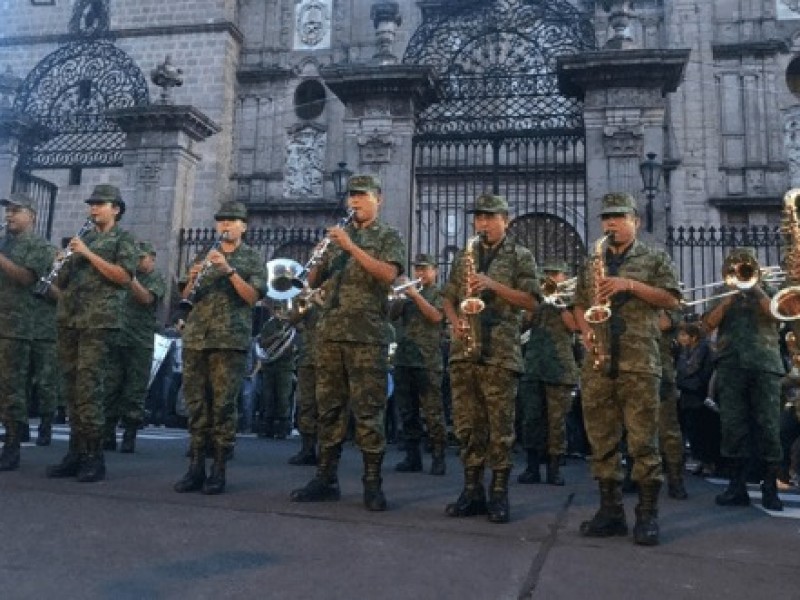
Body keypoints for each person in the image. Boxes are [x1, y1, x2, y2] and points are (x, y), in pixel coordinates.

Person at [290, 174, 406, 511]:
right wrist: (317, 257)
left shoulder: (387, 236)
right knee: (329, 409)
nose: (354, 202)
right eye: (351, 197)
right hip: (331, 334)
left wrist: (351, 247)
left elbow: (388, 275)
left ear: (378, 200)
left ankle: (373, 483)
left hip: (367, 336)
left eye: (362, 196)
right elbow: (310, 283)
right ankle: (326, 478)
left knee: (369, 411)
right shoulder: (337, 239)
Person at [574, 192, 681, 546]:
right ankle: (611, 511)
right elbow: (578, 305)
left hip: (640, 363)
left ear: (636, 220)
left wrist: (630, 285)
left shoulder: (654, 258)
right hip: (599, 363)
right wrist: (587, 330)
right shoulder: (592, 261)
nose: (611, 224)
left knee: (643, 442)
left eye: (619, 217)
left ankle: (647, 516)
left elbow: (672, 300)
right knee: (602, 441)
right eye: (607, 218)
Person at [441, 193, 538, 524]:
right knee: (467, 427)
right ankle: (472, 491)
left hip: (500, 353)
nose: (482, 223)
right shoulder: (463, 257)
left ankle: (499, 494)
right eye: (478, 217)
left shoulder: (520, 256)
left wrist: (493, 285)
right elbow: (448, 299)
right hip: (464, 352)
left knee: (500, 427)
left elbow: (531, 302)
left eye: (489, 217)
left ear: (505, 220)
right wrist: (455, 323)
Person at [46, 184, 138, 483]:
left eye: (101, 204)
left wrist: (87, 254)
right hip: (71, 320)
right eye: (92, 204)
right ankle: (75, 452)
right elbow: (60, 283)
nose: (93, 208)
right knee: (71, 389)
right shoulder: (82, 237)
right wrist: (62, 261)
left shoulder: (123, 239)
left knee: (90, 388)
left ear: (116, 209)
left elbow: (123, 277)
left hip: (100, 323)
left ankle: (94, 456)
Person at [173, 201, 266, 495]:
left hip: (229, 341)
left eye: (232, 220)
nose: (225, 225)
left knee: (224, 406)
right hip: (197, 339)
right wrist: (195, 275)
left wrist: (228, 270)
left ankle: (219, 469)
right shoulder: (203, 255)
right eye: (221, 220)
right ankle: (196, 467)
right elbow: (185, 295)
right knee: (197, 405)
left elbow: (252, 297)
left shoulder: (251, 258)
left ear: (244, 227)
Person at [701, 247, 785, 511]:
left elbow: (776, 314)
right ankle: (736, 486)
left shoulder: (770, 290)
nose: (740, 271)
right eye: (735, 267)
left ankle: (770, 487)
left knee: (769, 426)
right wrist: (730, 297)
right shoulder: (722, 293)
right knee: (733, 426)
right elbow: (707, 324)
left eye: (746, 267)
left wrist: (755, 288)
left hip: (765, 365)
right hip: (731, 364)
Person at [0, 193, 53, 471]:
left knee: (11, 387)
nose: (8, 216)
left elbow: (26, 278)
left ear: (31, 215)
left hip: (17, 327)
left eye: (15, 210)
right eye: (7, 211)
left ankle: (12, 444)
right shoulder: (4, 242)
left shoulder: (39, 246)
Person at [516, 260, 579, 486]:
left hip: (559, 368)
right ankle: (532, 468)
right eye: (548, 274)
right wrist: (537, 305)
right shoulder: (538, 300)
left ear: (565, 276)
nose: (551, 278)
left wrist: (559, 303)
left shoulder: (571, 299)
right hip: (534, 366)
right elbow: (522, 326)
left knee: (556, 421)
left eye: (555, 274)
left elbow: (574, 327)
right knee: (532, 419)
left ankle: (554, 469)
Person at [104, 241, 166, 453]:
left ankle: (130, 433)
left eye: (142, 258)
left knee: (134, 390)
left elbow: (146, 299)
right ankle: (108, 433)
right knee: (111, 387)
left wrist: (130, 279)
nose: (138, 262)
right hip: (117, 338)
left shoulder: (155, 278)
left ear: (152, 259)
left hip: (139, 342)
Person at [390, 253, 448, 476]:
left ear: (435, 271)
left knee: (433, 411)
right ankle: (412, 457)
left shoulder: (440, 293)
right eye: (418, 269)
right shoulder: (409, 294)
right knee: (408, 411)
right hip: (405, 359)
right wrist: (399, 298)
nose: (420, 273)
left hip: (427, 361)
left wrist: (415, 296)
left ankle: (438, 456)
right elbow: (391, 316)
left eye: (425, 269)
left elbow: (435, 317)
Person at [28, 239, 60, 447]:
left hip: (46, 332)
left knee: (46, 383)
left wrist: (44, 285)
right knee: (18, 381)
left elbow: (63, 296)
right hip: (21, 328)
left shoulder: (56, 267)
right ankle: (18, 426)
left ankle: (46, 425)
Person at [676, 321, 718, 477]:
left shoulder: (704, 349)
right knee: (693, 430)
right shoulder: (684, 350)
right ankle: (700, 460)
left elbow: (704, 372)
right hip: (687, 394)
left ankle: (708, 462)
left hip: (699, 394)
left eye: (684, 335)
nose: (681, 338)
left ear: (693, 337)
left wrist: (688, 384)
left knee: (703, 430)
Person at [657, 309, 688, 499]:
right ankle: (633, 475)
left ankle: (675, 479)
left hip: (659, 371)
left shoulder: (666, 298)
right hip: (628, 368)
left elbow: (666, 323)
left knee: (668, 429)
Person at [255, 312, 297, 439]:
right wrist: (276, 337)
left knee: (284, 397)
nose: (282, 312)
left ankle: (283, 428)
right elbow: (262, 343)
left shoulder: (294, 325)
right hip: (270, 365)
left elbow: (297, 343)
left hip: (285, 366)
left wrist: (290, 347)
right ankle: (268, 427)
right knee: (268, 397)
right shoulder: (269, 324)